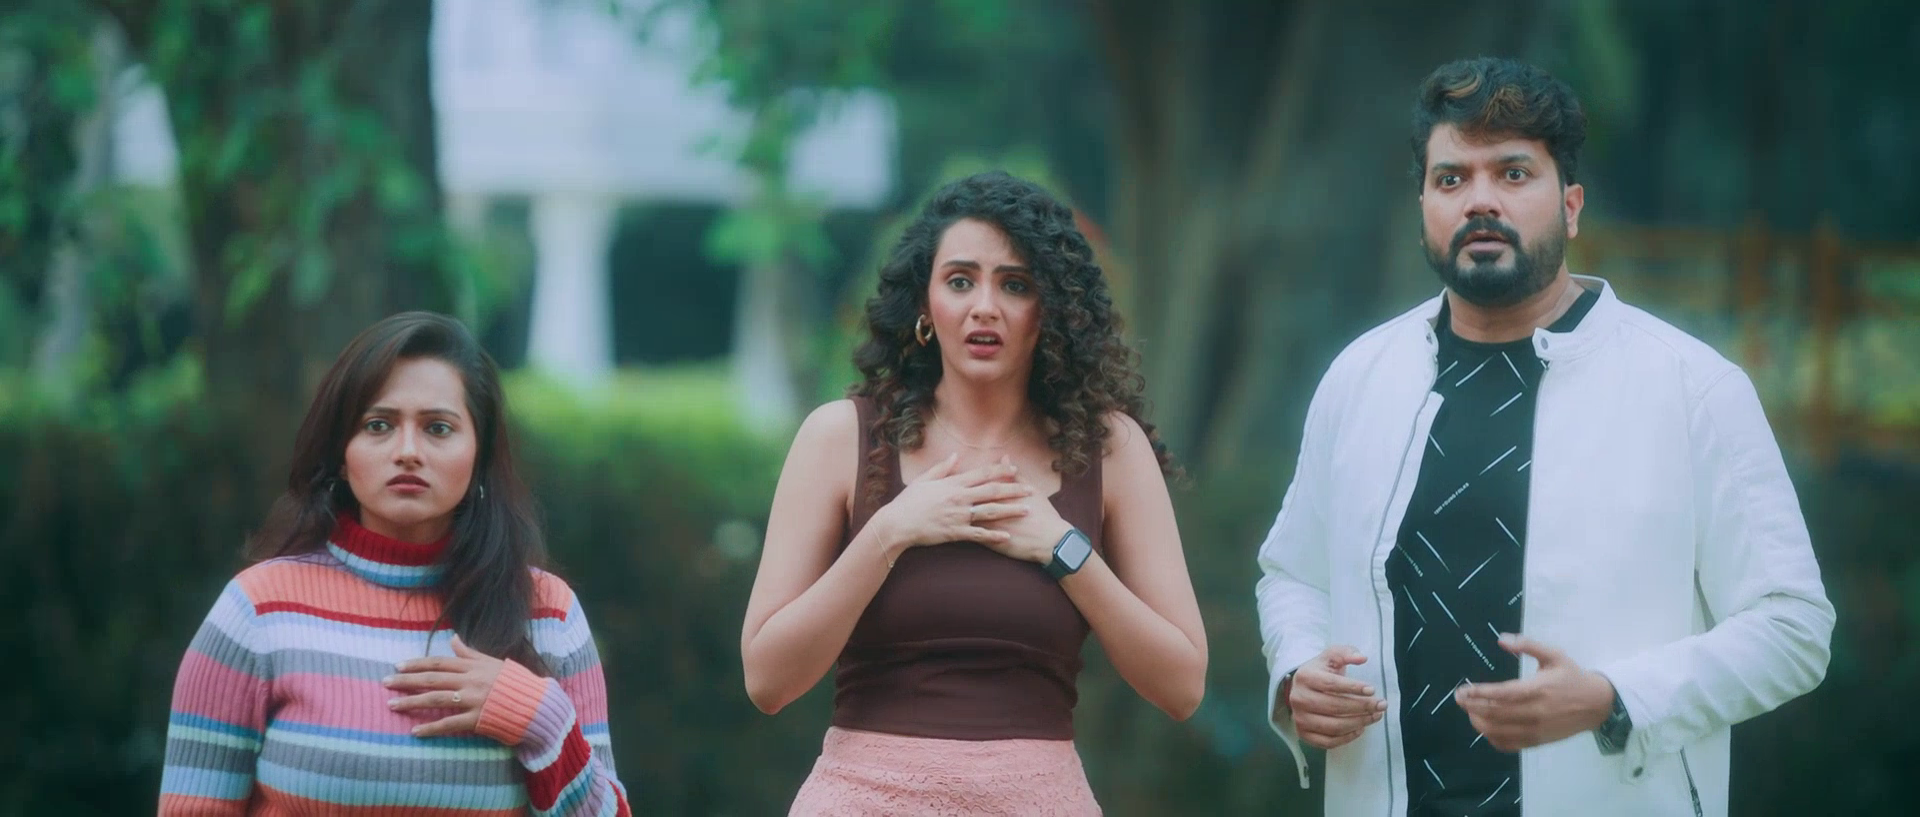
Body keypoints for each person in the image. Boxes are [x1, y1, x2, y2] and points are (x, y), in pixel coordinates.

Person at [1254, 57, 1834, 817]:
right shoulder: (1361, 375)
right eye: (1452, 179)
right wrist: (1297, 669)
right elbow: (1293, 573)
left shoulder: (1691, 386)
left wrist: (1613, 697)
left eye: (1514, 173)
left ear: (1571, 205)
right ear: (1423, 204)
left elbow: (1793, 625)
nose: (1480, 200)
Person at [741, 171, 1208, 814]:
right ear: (925, 304)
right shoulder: (841, 438)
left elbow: (1182, 686)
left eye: (1015, 285)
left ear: (1051, 310)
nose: (984, 306)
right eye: (960, 281)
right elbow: (767, 680)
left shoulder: (1108, 449)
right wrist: (889, 533)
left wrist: (1064, 550)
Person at [159, 312, 630, 816]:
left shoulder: (547, 615)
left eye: (438, 428)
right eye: (378, 425)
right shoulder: (258, 611)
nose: (407, 452)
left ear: (479, 456)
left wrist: (539, 717)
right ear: (342, 455)